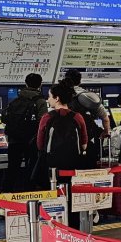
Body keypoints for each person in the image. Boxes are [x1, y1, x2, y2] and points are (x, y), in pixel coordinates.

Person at [36, 82, 88, 225]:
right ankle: (73, 226)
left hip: (52, 167)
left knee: (52, 196)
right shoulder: (78, 117)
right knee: (72, 196)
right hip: (73, 166)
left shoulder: (47, 118)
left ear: (57, 98)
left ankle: (54, 225)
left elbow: (40, 144)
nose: (48, 100)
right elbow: (84, 144)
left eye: (49, 96)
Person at [2, 73, 48, 192]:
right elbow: (42, 123)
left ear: (26, 84)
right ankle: (28, 195)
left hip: (14, 140)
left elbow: (5, 119)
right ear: (40, 85)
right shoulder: (41, 101)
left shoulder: (16, 100)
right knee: (31, 168)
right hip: (31, 141)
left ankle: (6, 194)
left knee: (12, 168)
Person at [62, 69, 109, 169]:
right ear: (80, 81)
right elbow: (105, 118)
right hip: (86, 139)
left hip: (65, 141)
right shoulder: (87, 97)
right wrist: (106, 131)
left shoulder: (60, 95)